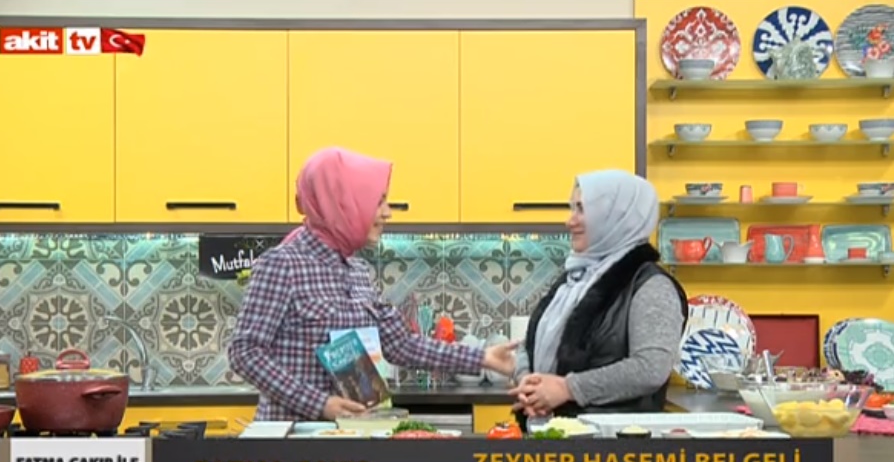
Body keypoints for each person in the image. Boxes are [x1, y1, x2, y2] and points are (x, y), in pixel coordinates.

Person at [228, 147, 518, 421]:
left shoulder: (358, 270)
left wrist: (483, 357)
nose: (387, 212)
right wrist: (320, 404)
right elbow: (245, 352)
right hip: (294, 442)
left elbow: (400, 344)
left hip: (349, 436)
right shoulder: (282, 264)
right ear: (342, 203)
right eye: (377, 201)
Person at [509, 169, 688, 422]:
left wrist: (567, 388)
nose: (570, 221)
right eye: (572, 208)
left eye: (582, 209)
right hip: (557, 435)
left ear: (615, 216)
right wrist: (528, 382)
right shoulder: (576, 278)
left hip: (612, 442)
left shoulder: (652, 286)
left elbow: (651, 368)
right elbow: (531, 342)